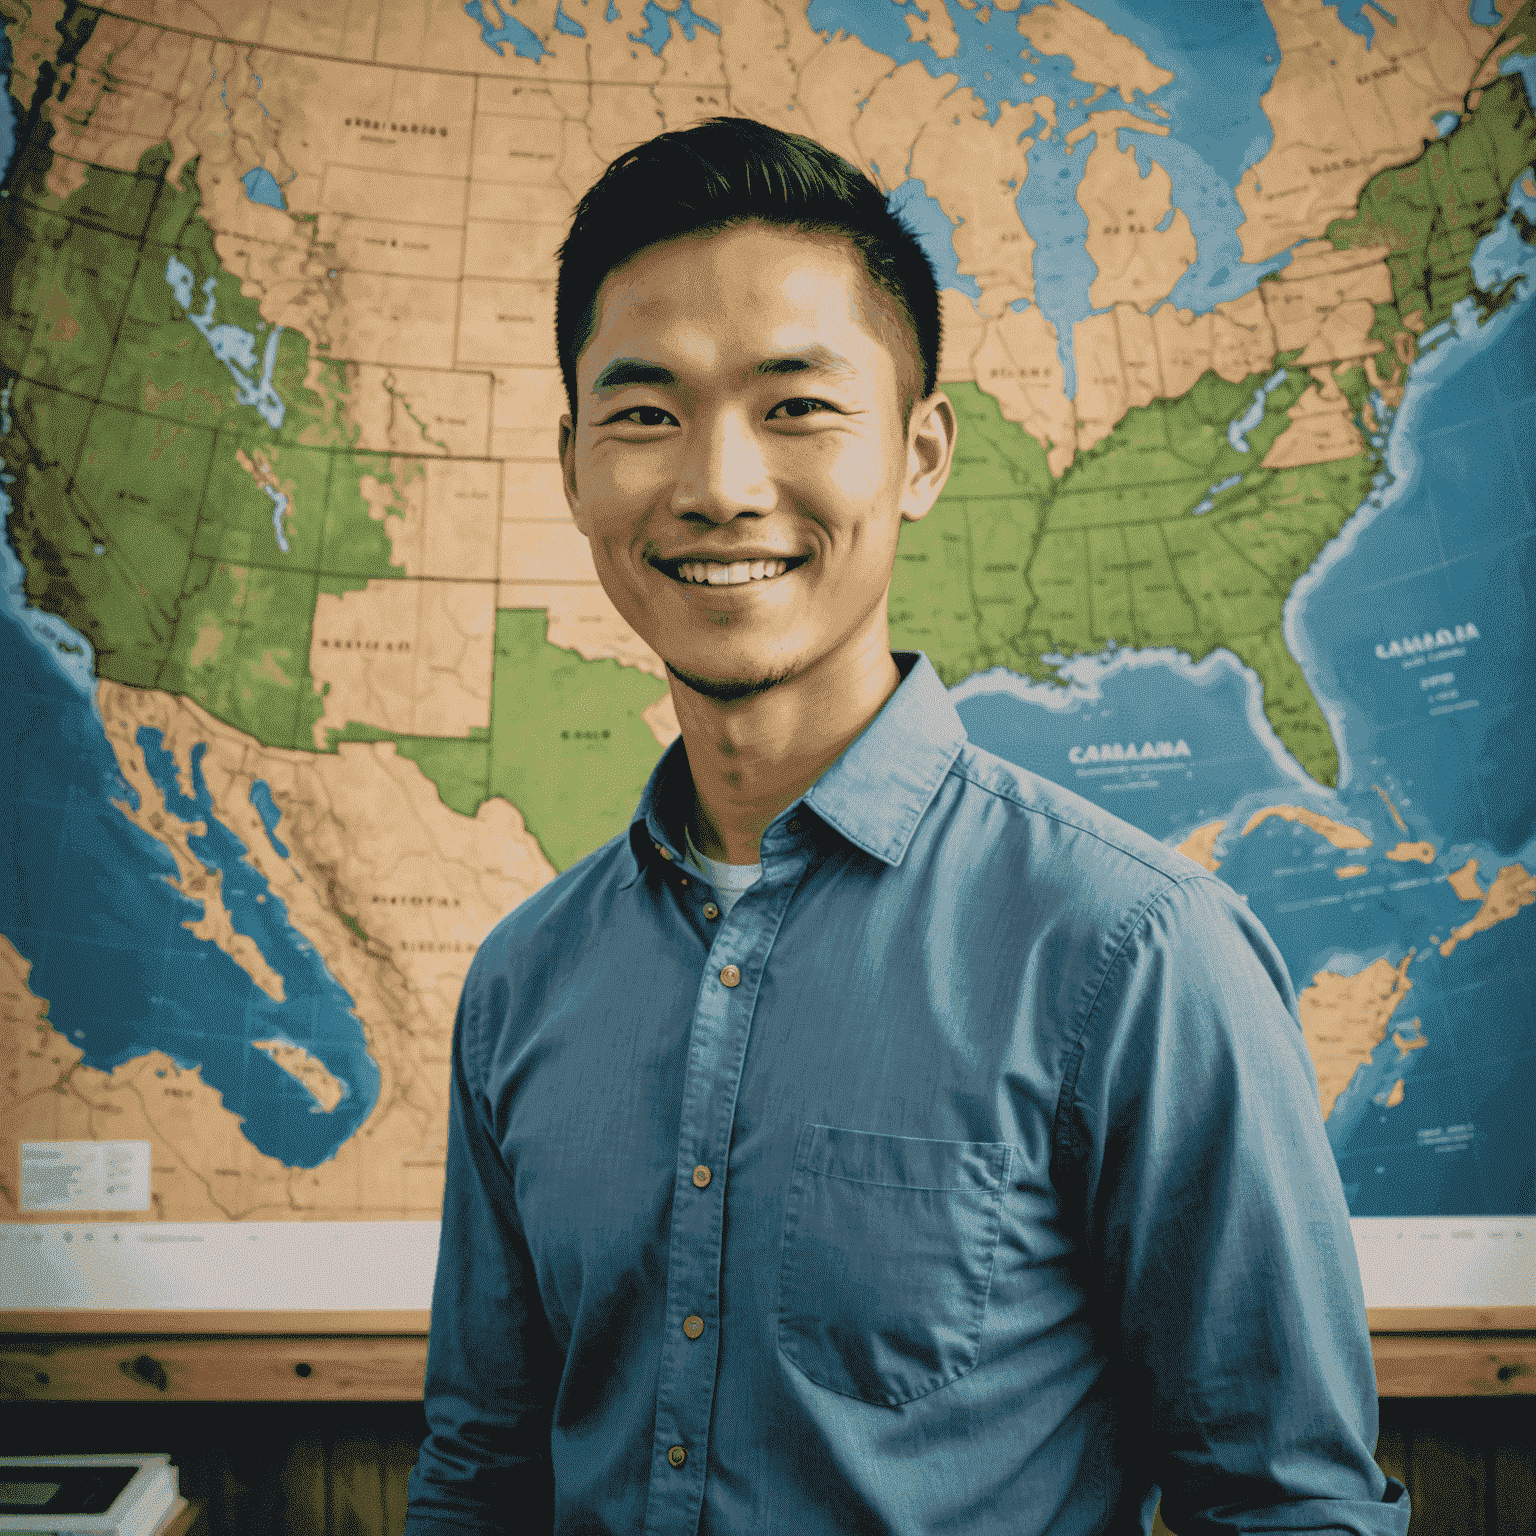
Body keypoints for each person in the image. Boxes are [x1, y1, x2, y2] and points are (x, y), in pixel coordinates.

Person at [404, 117, 1410, 1536]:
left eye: (796, 406)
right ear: (574, 466)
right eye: (645, 413)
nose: (718, 483)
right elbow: (479, 1479)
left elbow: (1289, 1505)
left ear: (922, 454)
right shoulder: (521, 980)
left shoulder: (1134, 954)